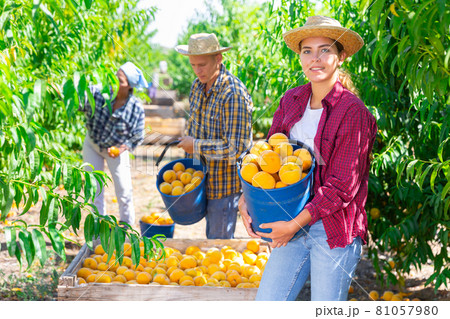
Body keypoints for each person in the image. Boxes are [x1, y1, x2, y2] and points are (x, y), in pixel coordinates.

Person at [238, 16, 377, 300]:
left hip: (333, 227)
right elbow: (268, 156)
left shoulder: (353, 112)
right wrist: (248, 197)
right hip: (291, 217)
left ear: (341, 57)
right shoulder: (291, 100)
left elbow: (342, 187)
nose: (316, 58)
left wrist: (293, 226)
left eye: (325, 49)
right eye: (307, 51)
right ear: (300, 57)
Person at [175, 33, 253, 239]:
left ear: (218, 58)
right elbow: (195, 126)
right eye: (193, 65)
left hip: (224, 186)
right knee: (209, 239)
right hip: (201, 180)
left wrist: (197, 145)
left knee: (218, 244)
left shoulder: (233, 94)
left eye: (202, 64)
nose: (197, 70)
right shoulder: (197, 87)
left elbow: (237, 149)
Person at [80, 62, 147, 227]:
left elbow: (137, 136)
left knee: (124, 191)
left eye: (120, 81)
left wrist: (122, 148)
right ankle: (96, 233)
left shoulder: (135, 108)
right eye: (114, 78)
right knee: (94, 189)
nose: (115, 83)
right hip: (93, 144)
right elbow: (77, 101)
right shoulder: (98, 93)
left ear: (129, 86)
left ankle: (126, 231)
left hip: (116, 149)